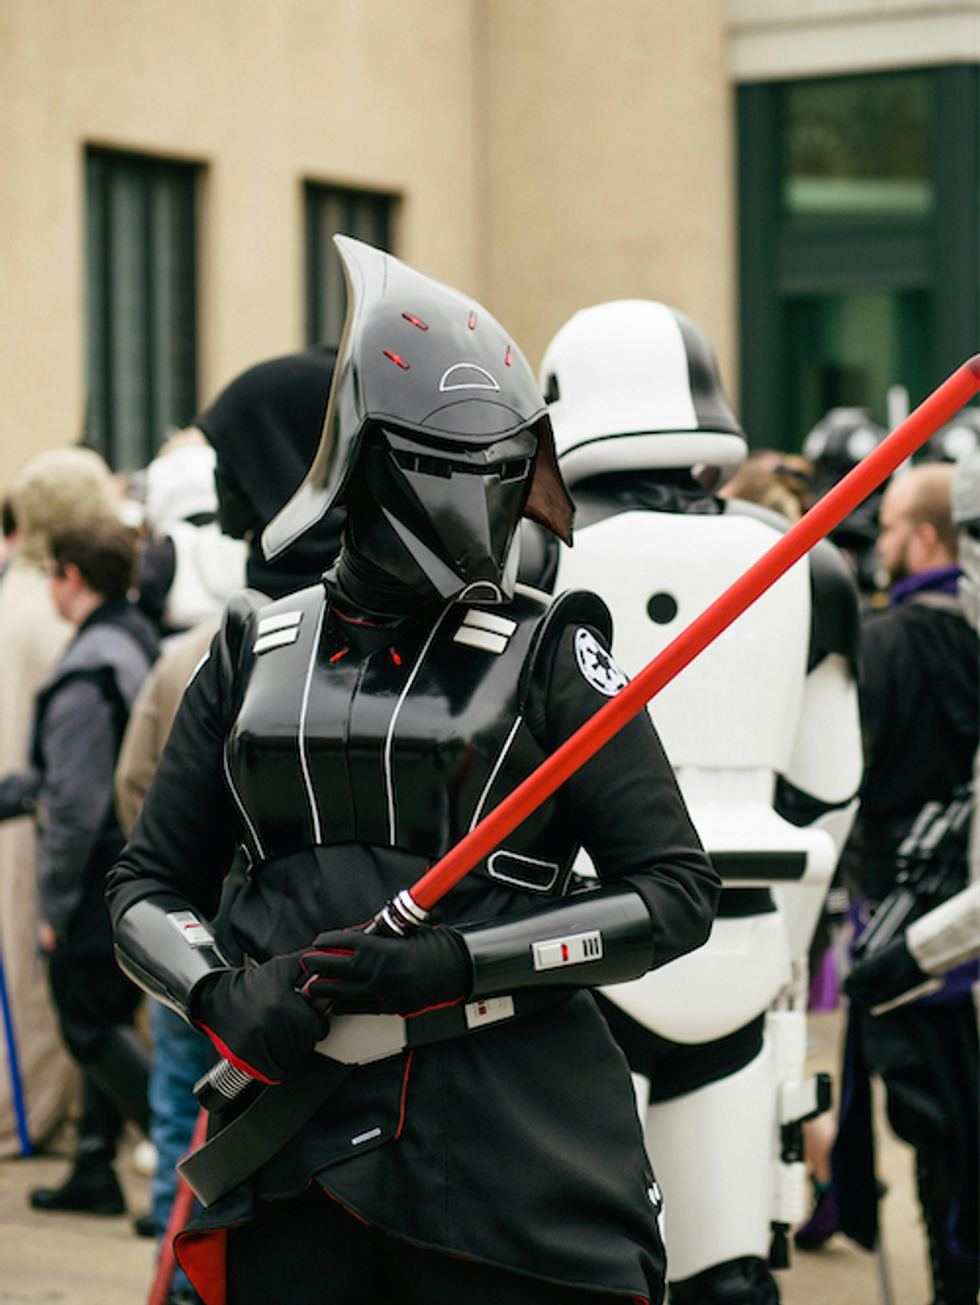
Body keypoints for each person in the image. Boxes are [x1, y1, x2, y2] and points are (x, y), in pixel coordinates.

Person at [106, 237, 720, 1305]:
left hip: (510, 1162)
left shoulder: (554, 652)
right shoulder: (248, 650)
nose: (476, 503)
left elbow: (671, 894)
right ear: (363, 457)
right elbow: (142, 883)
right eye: (445, 466)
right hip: (291, 1158)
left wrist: (463, 962)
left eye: (499, 470)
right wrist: (218, 988)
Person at [530, 299, 864, 1305]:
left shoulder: (530, 560)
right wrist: (782, 966)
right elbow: (828, 791)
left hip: (576, 948)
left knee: (579, 1262)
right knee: (727, 1268)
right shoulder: (808, 563)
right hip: (743, 937)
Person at [834, 462, 980, 1305]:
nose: (877, 545)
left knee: (939, 1155)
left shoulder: (882, 641)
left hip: (909, 953)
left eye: (887, 527)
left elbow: (842, 783)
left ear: (925, 536)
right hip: (942, 940)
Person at [0, 516, 159, 1214]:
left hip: (98, 875)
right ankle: (96, 1170)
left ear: (71, 577)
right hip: (135, 866)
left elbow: (73, 804)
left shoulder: (89, 668)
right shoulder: (134, 636)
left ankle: (185, 1145)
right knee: (110, 1017)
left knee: (88, 1024)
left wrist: (53, 912)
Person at [0, 448, 122, 1159]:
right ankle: (42, 1114)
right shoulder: (52, 614)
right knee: (42, 978)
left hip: (23, 811)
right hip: (48, 821)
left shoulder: (16, 596)